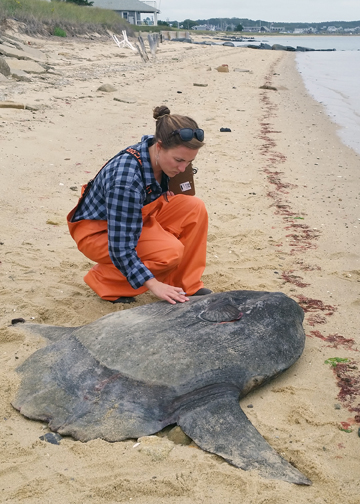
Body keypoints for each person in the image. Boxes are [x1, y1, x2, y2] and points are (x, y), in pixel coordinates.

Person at [67, 105, 210, 305]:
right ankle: (104, 281)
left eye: (189, 161)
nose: (183, 168)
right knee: (170, 251)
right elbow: (121, 246)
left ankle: (185, 284)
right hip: (100, 232)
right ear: (159, 146)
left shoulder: (157, 153)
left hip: (135, 216)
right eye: (178, 160)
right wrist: (153, 284)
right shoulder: (125, 179)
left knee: (194, 208)